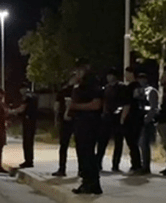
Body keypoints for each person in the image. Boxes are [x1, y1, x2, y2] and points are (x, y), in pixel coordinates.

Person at [67, 58, 103, 195]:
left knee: (86, 154)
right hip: (81, 122)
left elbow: (96, 104)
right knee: (84, 154)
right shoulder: (81, 85)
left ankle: (89, 183)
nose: (77, 72)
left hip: (89, 123)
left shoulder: (92, 83)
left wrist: (75, 106)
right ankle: (92, 183)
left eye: (80, 69)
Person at [95, 69, 126, 172]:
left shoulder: (121, 87)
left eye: (110, 75)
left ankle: (115, 164)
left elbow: (125, 103)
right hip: (106, 117)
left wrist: (122, 117)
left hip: (117, 117)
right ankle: (98, 163)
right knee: (102, 141)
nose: (108, 77)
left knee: (118, 142)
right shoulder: (106, 88)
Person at [121, 66, 144, 174]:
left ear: (131, 74)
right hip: (139, 117)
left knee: (131, 143)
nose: (125, 76)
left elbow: (127, 104)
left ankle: (135, 165)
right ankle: (137, 164)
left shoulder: (129, 88)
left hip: (131, 118)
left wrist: (122, 118)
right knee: (135, 142)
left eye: (127, 74)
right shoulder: (139, 87)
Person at [10, 81, 38, 168]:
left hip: (27, 120)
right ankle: (30, 160)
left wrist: (13, 111)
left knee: (26, 142)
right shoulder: (34, 95)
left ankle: (28, 161)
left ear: (23, 89)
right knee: (30, 142)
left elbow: (22, 108)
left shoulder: (26, 96)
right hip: (34, 120)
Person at [51, 83, 76, 178]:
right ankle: (81, 170)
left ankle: (62, 168)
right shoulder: (80, 90)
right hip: (77, 119)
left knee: (63, 146)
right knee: (80, 146)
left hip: (65, 121)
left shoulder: (63, 91)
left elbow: (56, 107)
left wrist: (56, 120)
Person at [137, 72, 159, 175]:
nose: (140, 81)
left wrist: (147, 119)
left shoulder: (151, 91)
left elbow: (153, 108)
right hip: (139, 120)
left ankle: (146, 166)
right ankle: (142, 165)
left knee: (144, 144)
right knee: (141, 144)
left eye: (142, 78)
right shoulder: (139, 91)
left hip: (147, 121)